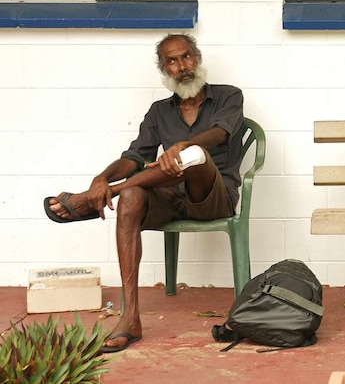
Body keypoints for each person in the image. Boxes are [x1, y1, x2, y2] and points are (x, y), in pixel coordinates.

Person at [43, 33, 244, 354]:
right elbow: (134, 157)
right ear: (164, 68)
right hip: (169, 195)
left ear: (198, 57)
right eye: (173, 61)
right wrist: (101, 177)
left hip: (213, 196)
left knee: (192, 156)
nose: (182, 66)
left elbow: (220, 134)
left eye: (187, 57)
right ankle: (130, 318)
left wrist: (183, 146)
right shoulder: (158, 112)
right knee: (132, 197)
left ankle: (88, 201)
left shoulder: (228, 96)